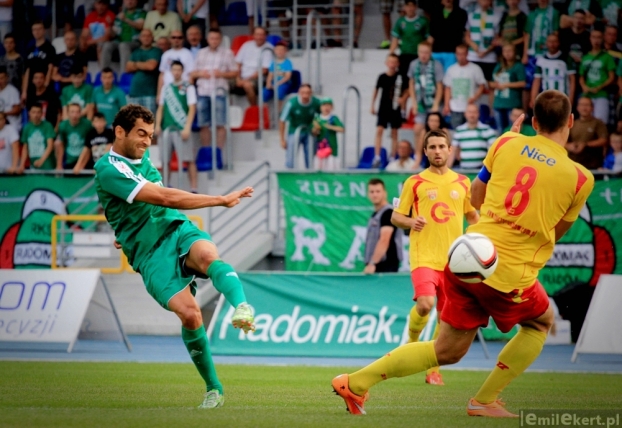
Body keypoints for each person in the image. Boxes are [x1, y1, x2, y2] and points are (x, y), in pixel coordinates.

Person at [332, 89, 595, 417]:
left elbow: (477, 195)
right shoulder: (582, 179)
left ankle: (354, 382)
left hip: (465, 257)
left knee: (446, 351)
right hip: (508, 271)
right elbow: (557, 231)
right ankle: (484, 400)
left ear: (534, 121)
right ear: (571, 121)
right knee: (540, 323)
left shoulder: (504, 143)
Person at [94, 104, 256, 409]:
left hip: (174, 226)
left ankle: (243, 307)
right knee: (191, 315)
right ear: (119, 132)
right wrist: (220, 200)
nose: (146, 141)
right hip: (149, 254)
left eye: (150, 135)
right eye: (141, 134)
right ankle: (214, 388)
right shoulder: (108, 167)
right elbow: (163, 196)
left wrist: (126, 227)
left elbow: (158, 203)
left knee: (208, 255)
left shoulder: (142, 159)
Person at [391, 129, 478, 386]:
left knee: (444, 318)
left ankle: (433, 369)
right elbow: (396, 217)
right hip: (424, 256)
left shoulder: (463, 182)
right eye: (433, 147)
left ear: (450, 150)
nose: (438, 151)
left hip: (454, 261)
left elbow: (472, 216)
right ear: (426, 151)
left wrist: (483, 236)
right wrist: (411, 220)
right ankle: (412, 341)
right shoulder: (414, 182)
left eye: (442, 146)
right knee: (425, 304)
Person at [191, 27, 238, 150]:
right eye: (212, 38)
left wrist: (222, 74)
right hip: (203, 92)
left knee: (220, 124)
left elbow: (234, 73)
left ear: (220, 39)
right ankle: (207, 152)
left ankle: (218, 152)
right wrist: (201, 74)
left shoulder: (228, 53)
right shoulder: (201, 53)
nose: (214, 41)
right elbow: (192, 73)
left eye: (217, 38)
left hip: (219, 92)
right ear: (207, 39)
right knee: (203, 124)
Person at [155, 60, 198, 191]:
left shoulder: (188, 87)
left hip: (181, 128)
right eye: (174, 70)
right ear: (171, 71)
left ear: (182, 71)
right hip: (166, 128)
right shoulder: (166, 88)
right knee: (165, 161)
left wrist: (187, 127)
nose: (176, 72)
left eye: (179, 70)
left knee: (188, 159)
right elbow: (161, 108)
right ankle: (165, 187)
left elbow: (192, 108)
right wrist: (157, 125)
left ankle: (194, 188)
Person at [408, 41, 444, 165]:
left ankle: (437, 156)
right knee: (417, 128)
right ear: (418, 52)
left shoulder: (436, 65)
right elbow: (411, 84)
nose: (424, 55)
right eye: (421, 52)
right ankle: (417, 156)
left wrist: (436, 104)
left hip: (433, 102)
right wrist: (413, 102)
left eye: (426, 53)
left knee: (435, 129)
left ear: (430, 53)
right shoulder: (413, 65)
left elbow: (440, 86)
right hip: (420, 103)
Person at [372, 54, 408, 164]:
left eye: (394, 62)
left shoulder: (401, 76)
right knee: (379, 130)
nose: (392, 64)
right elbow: (376, 90)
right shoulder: (382, 76)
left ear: (397, 64)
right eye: (390, 62)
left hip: (395, 108)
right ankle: (377, 156)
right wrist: (372, 105)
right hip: (384, 107)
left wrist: (403, 98)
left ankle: (393, 156)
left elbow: (408, 90)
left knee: (394, 132)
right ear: (386, 63)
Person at [442, 44, 487, 129]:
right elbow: (448, 88)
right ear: (456, 54)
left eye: (463, 54)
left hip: (471, 108)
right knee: (457, 132)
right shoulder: (451, 69)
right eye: (458, 54)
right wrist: (446, 105)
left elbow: (482, 86)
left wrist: (474, 98)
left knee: (472, 131)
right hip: (455, 107)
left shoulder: (475, 68)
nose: (461, 56)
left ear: (467, 54)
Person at [363, 178, 401, 274]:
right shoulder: (376, 214)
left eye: (378, 191)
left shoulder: (388, 213)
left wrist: (372, 263)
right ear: (368, 194)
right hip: (379, 266)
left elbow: (384, 240)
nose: (375, 194)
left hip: (386, 266)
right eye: (372, 191)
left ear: (385, 193)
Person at [279, 84, 321, 169]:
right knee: (291, 157)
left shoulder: (316, 102)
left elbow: (322, 117)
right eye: (303, 93)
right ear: (299, 93)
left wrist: (316, 128)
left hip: (309, 132)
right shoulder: (292, 103)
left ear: (311, 93)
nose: (305, 95)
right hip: (294, 131)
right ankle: (290, 174)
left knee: (310, 158)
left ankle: (310, 175)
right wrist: (282, 139)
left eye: (308, 93)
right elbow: (282, 120)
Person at [579, 28, 616, 124]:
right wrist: (584, 87)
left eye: (599, 37)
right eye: (594, 37)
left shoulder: (607, 57)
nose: (596, 40)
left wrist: (599, 87)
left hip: (601, 94)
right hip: (587, 95)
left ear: (603, 39)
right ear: (590, 39)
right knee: (585, 122)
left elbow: (611, 77)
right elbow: (581, 76)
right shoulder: (585, 57)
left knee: (601, 122)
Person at [531, 33, 576, 108]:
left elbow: (572, 79)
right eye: (550, 41)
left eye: (555, 41)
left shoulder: (566, 58)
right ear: (546, 43)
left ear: (559, 43)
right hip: (546, 98)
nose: (552, 44)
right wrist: (533, 98)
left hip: (563, 97)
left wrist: (571, 98)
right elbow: (537, 81)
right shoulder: (541, 60)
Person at [389, 0, 431, 79]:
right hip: (404, 55)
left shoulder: (423, 21)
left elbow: (428, 39)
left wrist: (427, 53)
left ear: (416, 7)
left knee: (418, 79)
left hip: (418, 55)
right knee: (404, 79)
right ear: (404, 7)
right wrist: (391, 54)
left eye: (412, 6)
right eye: (408, 6)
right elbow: (395, 39)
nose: (410, 9)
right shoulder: (400, 21)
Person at [464, 0, 503, 84]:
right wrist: (473, 45)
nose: (484, 1)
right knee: (472, 82)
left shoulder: (496, 16)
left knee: (489, 82)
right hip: (473, 55)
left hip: (489, 57)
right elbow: (467, 35)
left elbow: (497, 38)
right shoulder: (471, 15)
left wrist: (487, 50)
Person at [102, 0, 146, 73]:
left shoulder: (141, 13)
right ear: (124, 1)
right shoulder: (120, 15)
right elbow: (114, 34)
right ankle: (104, 74)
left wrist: (126, 19)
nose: (129, 1)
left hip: (135, 42)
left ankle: (124, 75)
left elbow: (140, 26)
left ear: (136, 1)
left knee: (123, 45)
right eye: (127, 0)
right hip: (119, 41)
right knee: (107, 45)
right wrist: (109, 26)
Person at [490, 43, 526, 131]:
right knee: (500, 130)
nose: (507, 53)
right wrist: (494, 85)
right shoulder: (499, 66)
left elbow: (523, 83)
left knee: (513, 129)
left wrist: (506, 84)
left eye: (510, 51)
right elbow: (491, 83)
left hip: (512, 104)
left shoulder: (518, 66)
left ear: (515, 52)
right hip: (498, 103)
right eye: (505, 51)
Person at [234, 27, 274, 106]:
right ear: (253, 35)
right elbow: (238, 64)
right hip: (241, 76)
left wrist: (245, 80)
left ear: (266, 36)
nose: (259, 37)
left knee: (247, 85)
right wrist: (238, 78)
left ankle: (254, 109)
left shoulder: (269, 48)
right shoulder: (246, 45)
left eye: (262, 35)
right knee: (222, 82)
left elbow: (264, 70)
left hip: (258, 78)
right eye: (257, 34)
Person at [449, 103, 497, 169]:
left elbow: (494, 150)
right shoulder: (459, 130)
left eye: (474, 112)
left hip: (481, 171)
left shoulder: (487, 130)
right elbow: (453, 151)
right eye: (469, 112)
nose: (472, 115)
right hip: (463, 170)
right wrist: (446, 170)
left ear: (479, 114)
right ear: (465, 114)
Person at [126, 29, 163, 114]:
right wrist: (144, 64)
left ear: (152, 38)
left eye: (148, 36)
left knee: (149, 122)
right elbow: (127, 68)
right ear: (140, 38)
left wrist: (135, 64)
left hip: (149, 94)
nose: (146, 38)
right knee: (133, 122)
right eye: (143, 36)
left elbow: (151, 66)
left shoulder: (156, 51)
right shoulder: (136, 52)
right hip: (134, 92)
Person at [567, 97, 608, 170]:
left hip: (592, 165)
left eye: (587, 105)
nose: (584, 108)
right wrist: (569, 146)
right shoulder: (572, 123)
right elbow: (562, 141)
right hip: (573, 164)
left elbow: (604, 140)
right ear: (577, 107)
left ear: (592, 108)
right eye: (582, 105)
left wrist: (586, 144)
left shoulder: (598, 123)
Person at [21, 20, 56, 103]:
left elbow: (50, 67)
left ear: (44, 30)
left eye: (39, 29)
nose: (37, 32)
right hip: (31, 87)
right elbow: (26, 71)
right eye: (34, 29)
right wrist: (24, 91)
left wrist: (46, 85)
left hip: (44, 86)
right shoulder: (29, 49)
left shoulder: (50, 48)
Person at [17, 103, 56, 173]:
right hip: (33, 163)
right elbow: (25, 148)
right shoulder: (26, 128)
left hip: (47, 164)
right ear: (29, 113)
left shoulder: (48, 126)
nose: (36, 115)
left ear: (42, 113)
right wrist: (22, 164)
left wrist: (41, 160)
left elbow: (50, 146)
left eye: (38, 112)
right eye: (33, 112)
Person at [429, 0, 468, 68]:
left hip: (452, 52)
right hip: (436, 52)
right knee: (436, 76)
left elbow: (464, 33)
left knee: (449, 76)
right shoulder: (435, 13)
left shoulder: (461, 13)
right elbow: (432, 35)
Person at [158, 30, 195, 100]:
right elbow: (162, 75)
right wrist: (159, 94)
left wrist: (186, 91)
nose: (176, 40)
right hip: (168, 91)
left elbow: (191, 75)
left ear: (183, 39)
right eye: (173, 37)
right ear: (170, 39)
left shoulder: (188, 54)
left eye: (179, 37)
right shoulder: (166, 54)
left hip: (183, 91)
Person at [55, 103, 93, 170]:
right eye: (72, 112)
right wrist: (59, 165)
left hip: (85, 159)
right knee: (57, 143)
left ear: (80, 113)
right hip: (70, 159)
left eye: (77, 112)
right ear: (68, 113)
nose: (74, 115)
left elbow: (89, 146)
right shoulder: (62, 126)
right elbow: (62, 144)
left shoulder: (87, 125)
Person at [311, 97, 344, 171]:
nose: (326, 107)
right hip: (320, 149)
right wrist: (316, 129)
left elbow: (342, 129)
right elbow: (314, 133)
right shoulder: (317, 119)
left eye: (328, 105)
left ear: (332, 107)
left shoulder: (334, 118)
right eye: (324, 105)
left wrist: (330, 127)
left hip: (332, 150)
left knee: (331, 169)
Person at [263, 41, 293, 110]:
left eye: (282, 50)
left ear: (285, 51)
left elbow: (287, 76)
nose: (279, 52)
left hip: (284, 83)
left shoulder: (287, 62)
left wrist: (278, 83)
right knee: (264, 92)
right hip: (274, 82)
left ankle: (278, 112)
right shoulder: (273, 62)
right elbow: (270, 75)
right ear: (274, 51)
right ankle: (265, 112)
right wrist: (268, 83)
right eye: (277, 49)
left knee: (279, 92)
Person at [0, 66, 22, 132]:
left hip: (11, 124)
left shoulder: (12, 91)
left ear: (7, 78)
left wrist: (3, 114)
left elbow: (17, 110)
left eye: (2, 78)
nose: (0, 80)